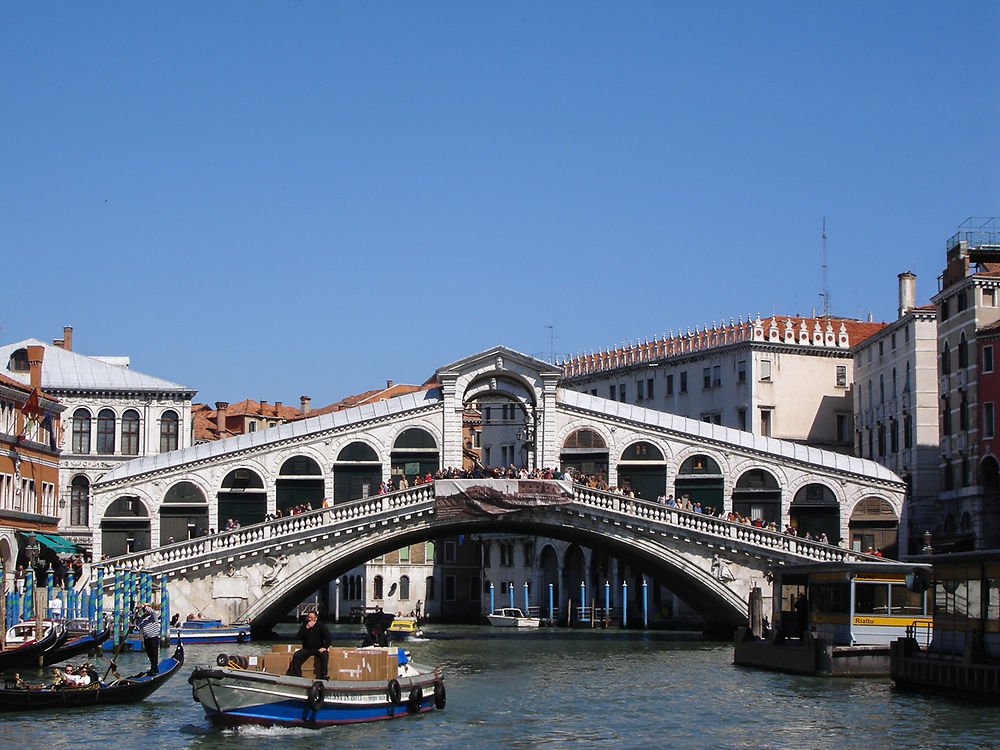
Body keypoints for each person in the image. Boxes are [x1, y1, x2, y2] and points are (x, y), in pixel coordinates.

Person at [287, 611, 330, 680]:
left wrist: (324, 647)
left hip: (318, 649)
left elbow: (328, 638)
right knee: (296, 655)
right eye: (309, 617)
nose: (310, 619)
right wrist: (307, 628)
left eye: (311, 618)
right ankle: (297, 675)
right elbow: (298, 636)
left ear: (315, 618)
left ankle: (323, 674)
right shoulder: (304, 625)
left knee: (325, 654)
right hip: (307, 649)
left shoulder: (320, 626)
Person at [134, 603, 161, 675]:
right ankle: (153, 667)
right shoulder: (142, 618)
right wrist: (132, 626)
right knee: (149, 654)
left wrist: (143, 606)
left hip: (153, 637)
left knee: (154, 654)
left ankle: (154, 669)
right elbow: (139, 627)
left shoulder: (153, 616)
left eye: (145, 610)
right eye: (143, 610)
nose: (144, 611)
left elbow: (152, 611)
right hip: (146, 638)